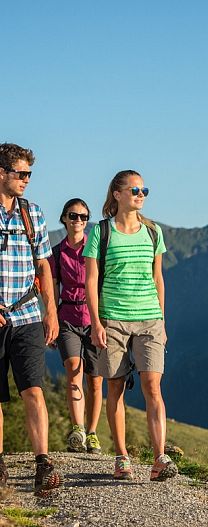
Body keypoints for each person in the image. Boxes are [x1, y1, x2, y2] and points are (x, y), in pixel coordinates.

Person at [84, 169, 178, 481]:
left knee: (154, 387)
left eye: (144, 190)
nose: (141, 195)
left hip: (150, 319)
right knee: (116, 387)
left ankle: (159, 458)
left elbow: (158, 279)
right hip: (113, 320)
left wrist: (162, 321)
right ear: (117, 194)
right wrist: (96, 322)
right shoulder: (101, 232)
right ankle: (122, 456)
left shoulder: (154, 233)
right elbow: (91, 280)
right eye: (135, 190)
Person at [0, 142, 63, 495]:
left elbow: (44, 265)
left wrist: (50, 310)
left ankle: (43, 463)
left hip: (26, 315)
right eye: (21, 173)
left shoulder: (32, 213)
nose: (26, 179)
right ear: (1, 173)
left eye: (29, 174)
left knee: (33, 389)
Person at [49, 199, 103, 454]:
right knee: (73, 369)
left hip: (95, 319)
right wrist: (49, 322)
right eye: (73, 215)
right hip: (68, 316)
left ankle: (92, 433)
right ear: (64, 218)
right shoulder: (57, 253)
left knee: (95, 379)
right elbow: (50, 290)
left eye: (83, 216)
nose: (78, 220)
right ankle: (78, 428)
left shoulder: (95, 250)